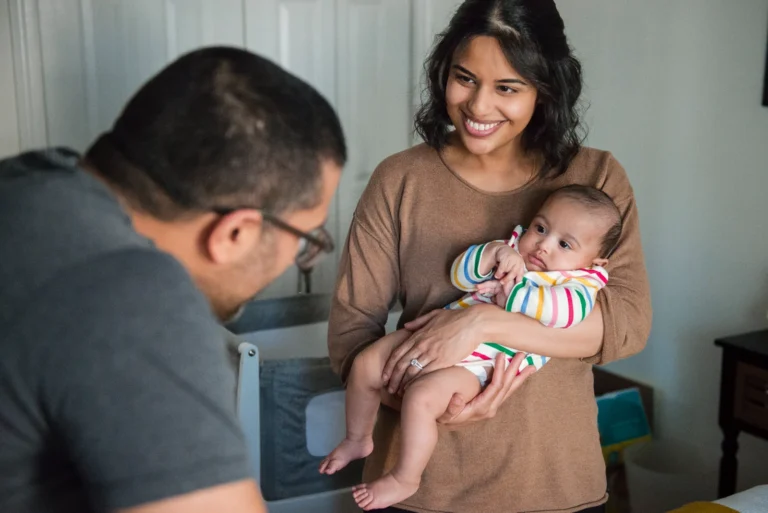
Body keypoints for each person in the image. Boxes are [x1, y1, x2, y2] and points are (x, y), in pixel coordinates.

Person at [327, 0, 652, 511]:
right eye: (464, 78)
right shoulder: (400, 179)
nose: (479, 107)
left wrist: (481, 325)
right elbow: (351, 335)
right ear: (443, 73)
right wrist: (430, 404)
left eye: (508, 87)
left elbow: (626, 322)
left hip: (553, 480)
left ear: (544, 89)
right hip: (425, 488)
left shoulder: (596, 180)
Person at [0, 46, 346, 513]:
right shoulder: (132, 296)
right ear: (235, 232)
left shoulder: (29, 183)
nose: (298, 258)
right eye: (306, 237)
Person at [321, 185, 618, 511]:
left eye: (564, 243)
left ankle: (405, 477)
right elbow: (461, 275)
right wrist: (493, 253)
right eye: (541, 228)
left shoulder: (579, 284)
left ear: (594, 261)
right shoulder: (514, 251)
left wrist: (512, 294)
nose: (543, 246)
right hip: (438, 330)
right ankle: (357, 438)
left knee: (422, 398)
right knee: (366, 363)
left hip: (483, 364)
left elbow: (564, 315)